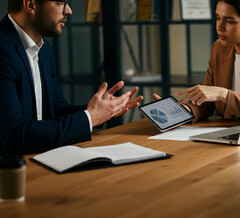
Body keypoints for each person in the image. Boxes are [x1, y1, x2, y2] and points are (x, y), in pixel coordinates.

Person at [0, 0, 143, 154]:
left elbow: (57, 111)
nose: (68, 10)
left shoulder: (44, 50)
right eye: (60, 2)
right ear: (31, 5)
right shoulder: (2, 51)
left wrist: (101, 110)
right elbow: (13, 136)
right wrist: (90, 117)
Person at [153, 0, 240, 123]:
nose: (219, 27)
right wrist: (183, 110)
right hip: (227, 134)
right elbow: (207, 104)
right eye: (218, 18)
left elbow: (219, 94)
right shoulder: (219, 49)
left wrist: (223, 94)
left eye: (229, 21)